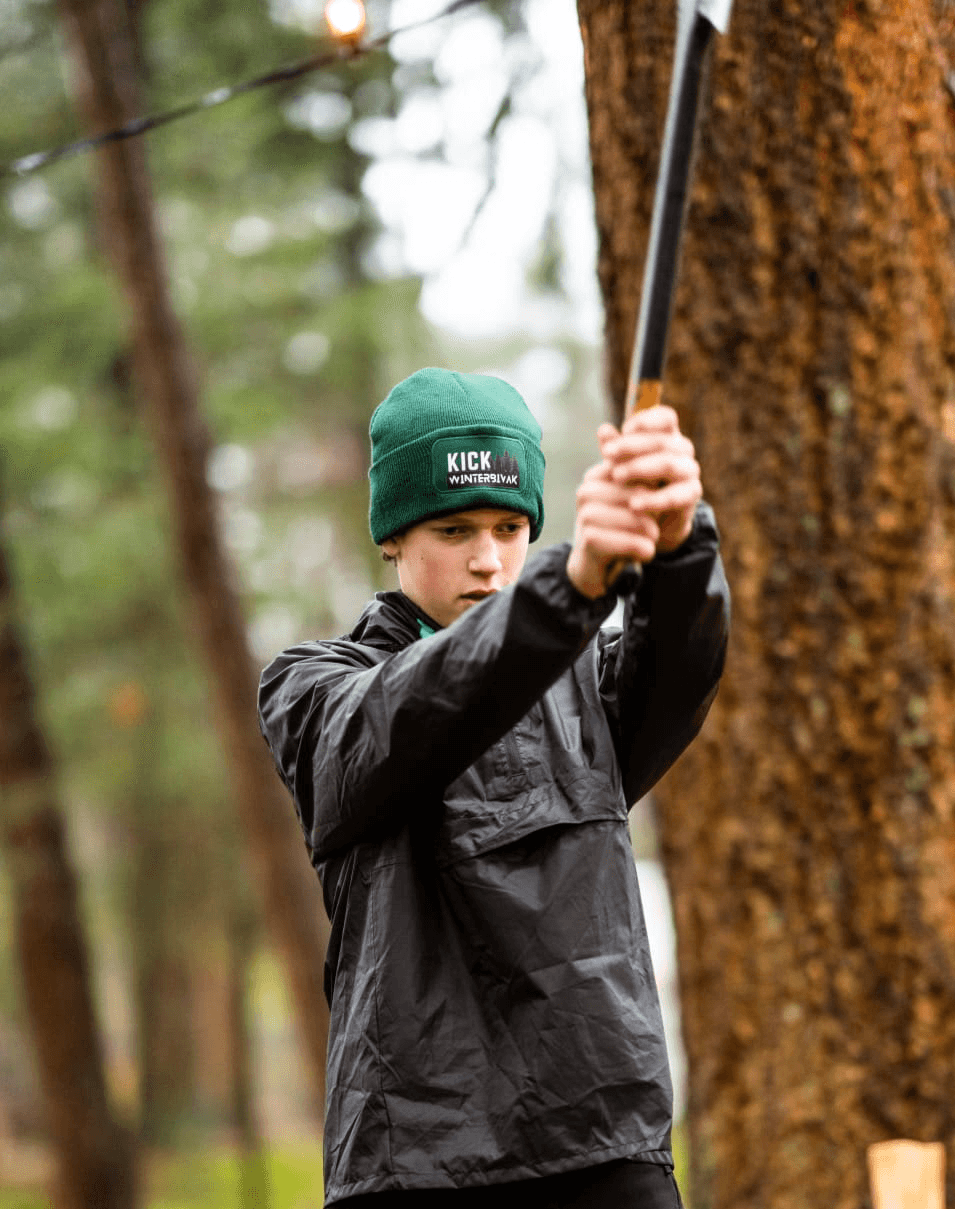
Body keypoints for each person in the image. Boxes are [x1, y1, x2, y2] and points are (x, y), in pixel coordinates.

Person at [258, 367, 729, 1208]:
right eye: (454, 528)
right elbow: (408, 714)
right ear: (393, 536)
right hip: (413, 1161)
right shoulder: (313, 690)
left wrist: (680, 535)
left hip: (605, 1147)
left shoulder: (587, 684)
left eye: (512, 528)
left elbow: (681, 663)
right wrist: (570, 588)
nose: (488, 559)